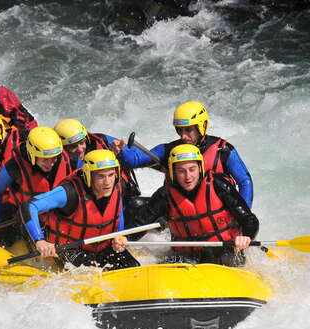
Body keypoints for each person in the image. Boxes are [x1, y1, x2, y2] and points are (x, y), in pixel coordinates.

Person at [123, 144, 259, 266]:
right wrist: (124, 238)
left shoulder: (219, 186)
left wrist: (246, 237)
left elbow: (250, 220)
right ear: (173, 172)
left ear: (200, 168)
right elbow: (140, 224)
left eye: (192, 169)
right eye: (181, 171)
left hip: (226, 252)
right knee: (170, 261)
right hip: (186, 257)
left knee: (209, 253)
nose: (188, 176)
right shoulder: (165, 195)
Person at [116, 101, 254, 208]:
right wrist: (121, 151)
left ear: (203, 126)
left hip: (216, 215)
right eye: (180, 130)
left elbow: (244, 181)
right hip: (181, 213)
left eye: (188, 130)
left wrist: (243, 216)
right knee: (135, 205)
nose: (183, 136)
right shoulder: (170, 150)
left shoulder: (222, 150)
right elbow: (134, 160)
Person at [20, 149, 140, 270]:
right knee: (93, 271)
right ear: (89, 175)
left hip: (102, 246)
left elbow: (117, 212)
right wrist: (40, 241)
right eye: (101, 176)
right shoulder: (69, 192)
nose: (108, 182)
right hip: (68, 249)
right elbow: (29, 206)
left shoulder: (118, 186)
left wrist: (119, 235)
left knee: (133, 267)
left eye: (111, 175)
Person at [0, 126, 73, 247]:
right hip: (22, 218)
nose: (51, 163)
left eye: (54, 158)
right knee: (5, 239)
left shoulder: (70, 161)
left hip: (55, 220)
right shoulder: (15, 166)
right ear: (32, 155)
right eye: (45, 159)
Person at [53, 118, 144, 226]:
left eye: (82, 142)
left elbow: (136, 154)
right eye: (73, 146)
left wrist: (121, 152)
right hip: (86, 214)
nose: (80, 149)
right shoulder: (53, 162)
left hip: (123, 205)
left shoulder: (101, 141)